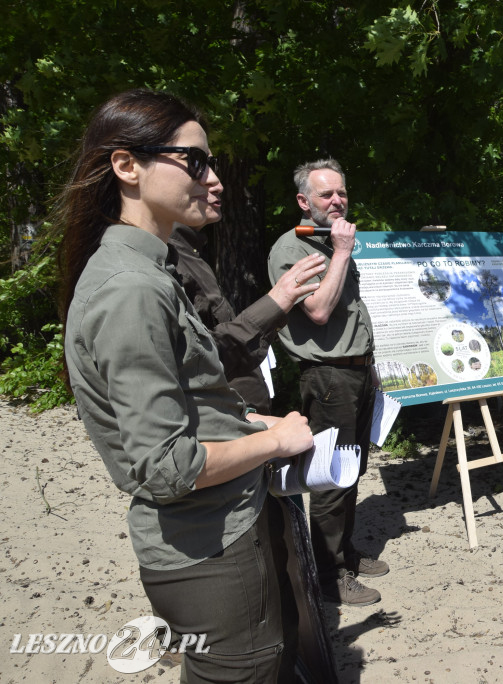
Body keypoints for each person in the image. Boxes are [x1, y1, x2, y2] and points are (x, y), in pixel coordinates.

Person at [59, 89, 314, 682]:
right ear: (127, 166)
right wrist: (277, 443)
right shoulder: (133, 289)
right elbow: (167, 465)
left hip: (216, 532)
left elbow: (187, 407)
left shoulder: (150, 271)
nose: (213, 177)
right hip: (210, 546)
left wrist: (254, 423)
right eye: (195, 162)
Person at [267, 158, 387, 607]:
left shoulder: (337, 242)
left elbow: (355, 315)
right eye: (325, 195)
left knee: (353, 469)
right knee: (332, 477)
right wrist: (339, 252)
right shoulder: (292, 249)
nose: (336, 201)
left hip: (356, 371)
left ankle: (345, 552)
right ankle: (329, 574)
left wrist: (370, 362)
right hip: (328, 377)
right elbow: (316, 310)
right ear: (304, 201)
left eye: (341, 193)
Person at [168, 223, 326, 413]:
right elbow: (196, 360)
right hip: (228, 423)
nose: (217, 191)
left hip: (242, 417)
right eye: (326, 195)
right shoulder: (167, 258)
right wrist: (273, 304)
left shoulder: (190, 253)